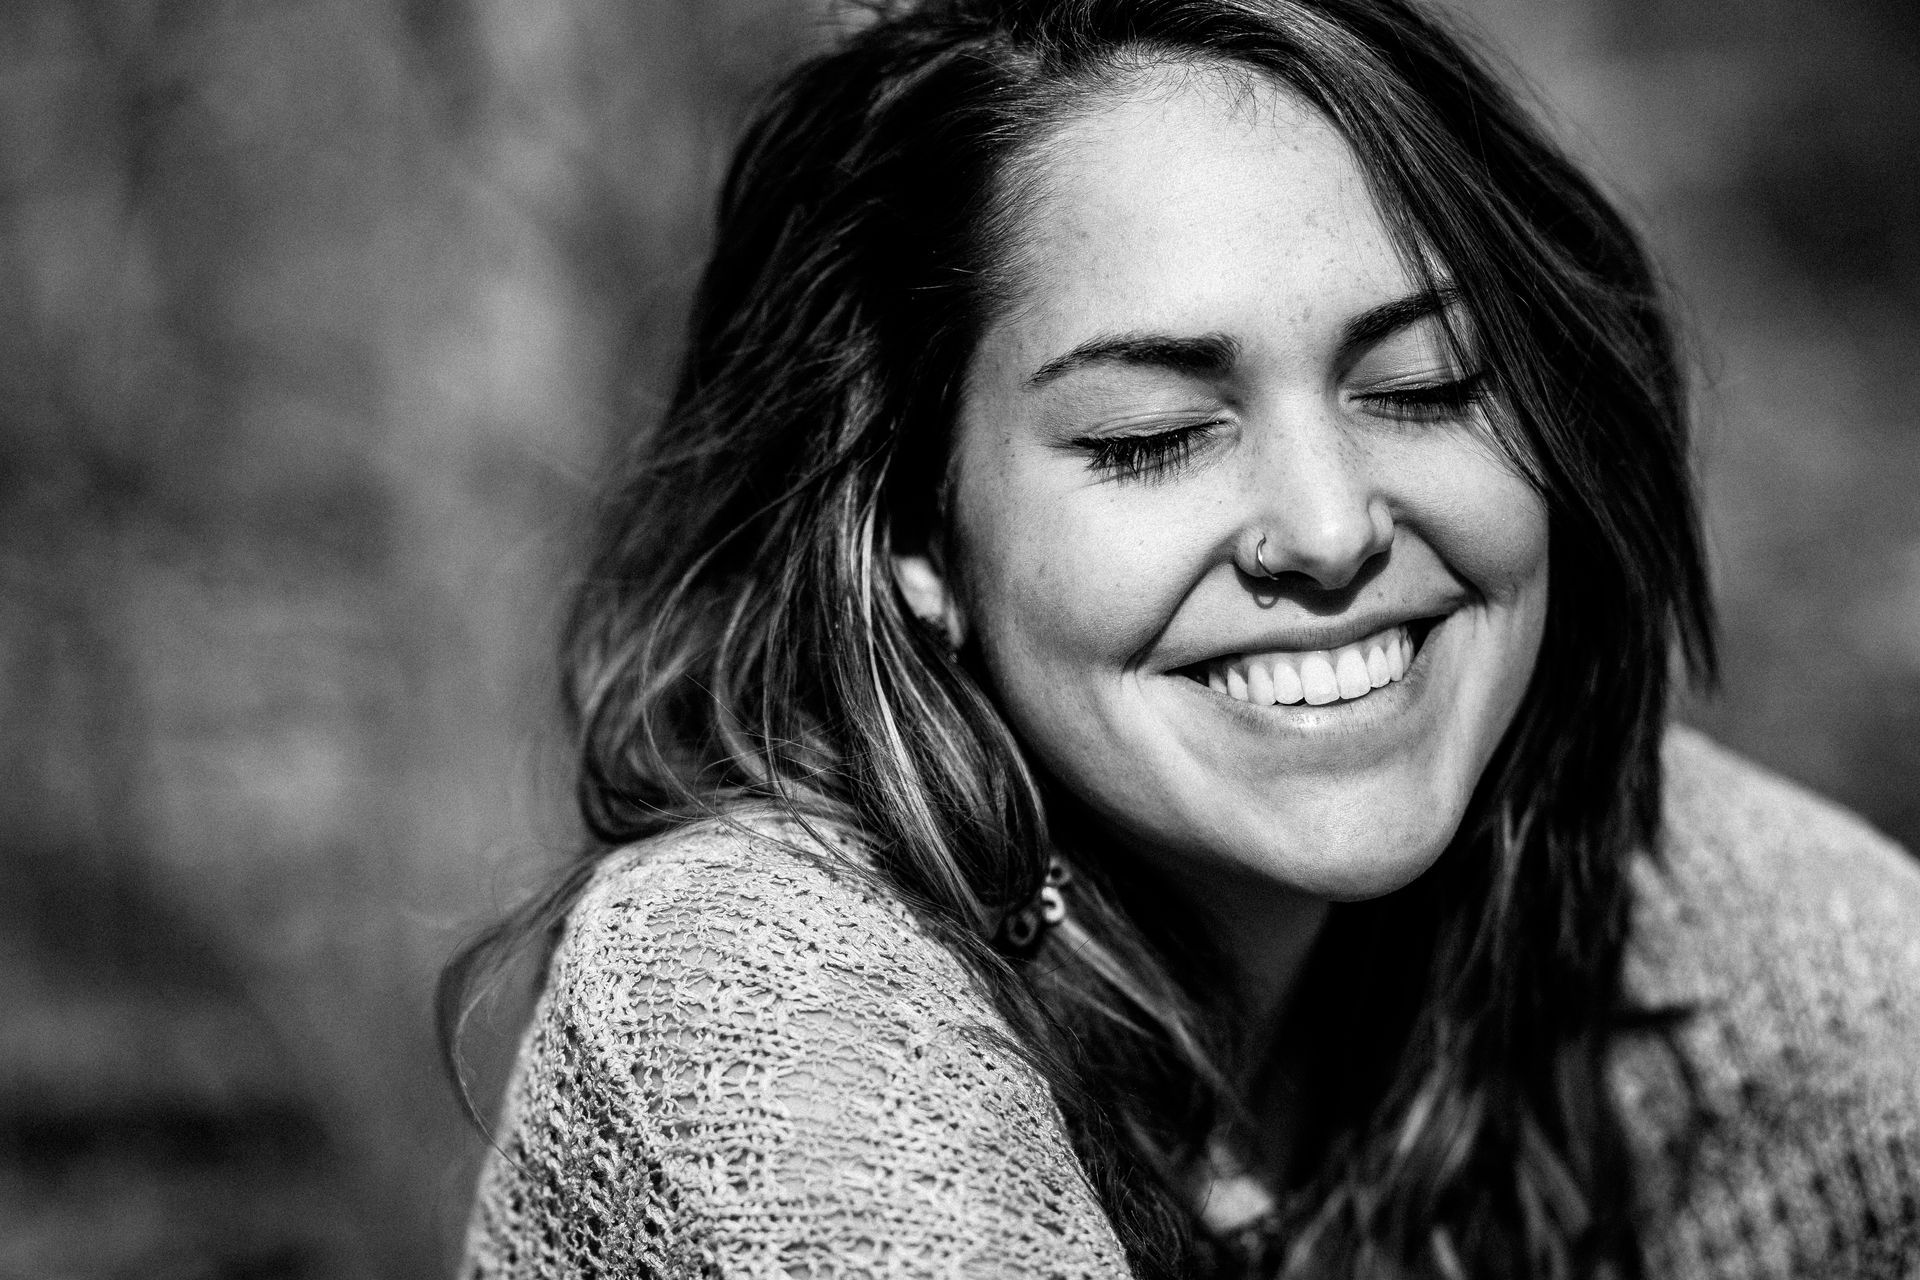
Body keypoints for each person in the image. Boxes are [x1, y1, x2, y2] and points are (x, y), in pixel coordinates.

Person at [444, 1, 1920, 1276]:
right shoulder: (761, 994)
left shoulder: (1752, 940)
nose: (1330, 528)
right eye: (1151, 437)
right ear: (911, 538)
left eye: (1424, 387)